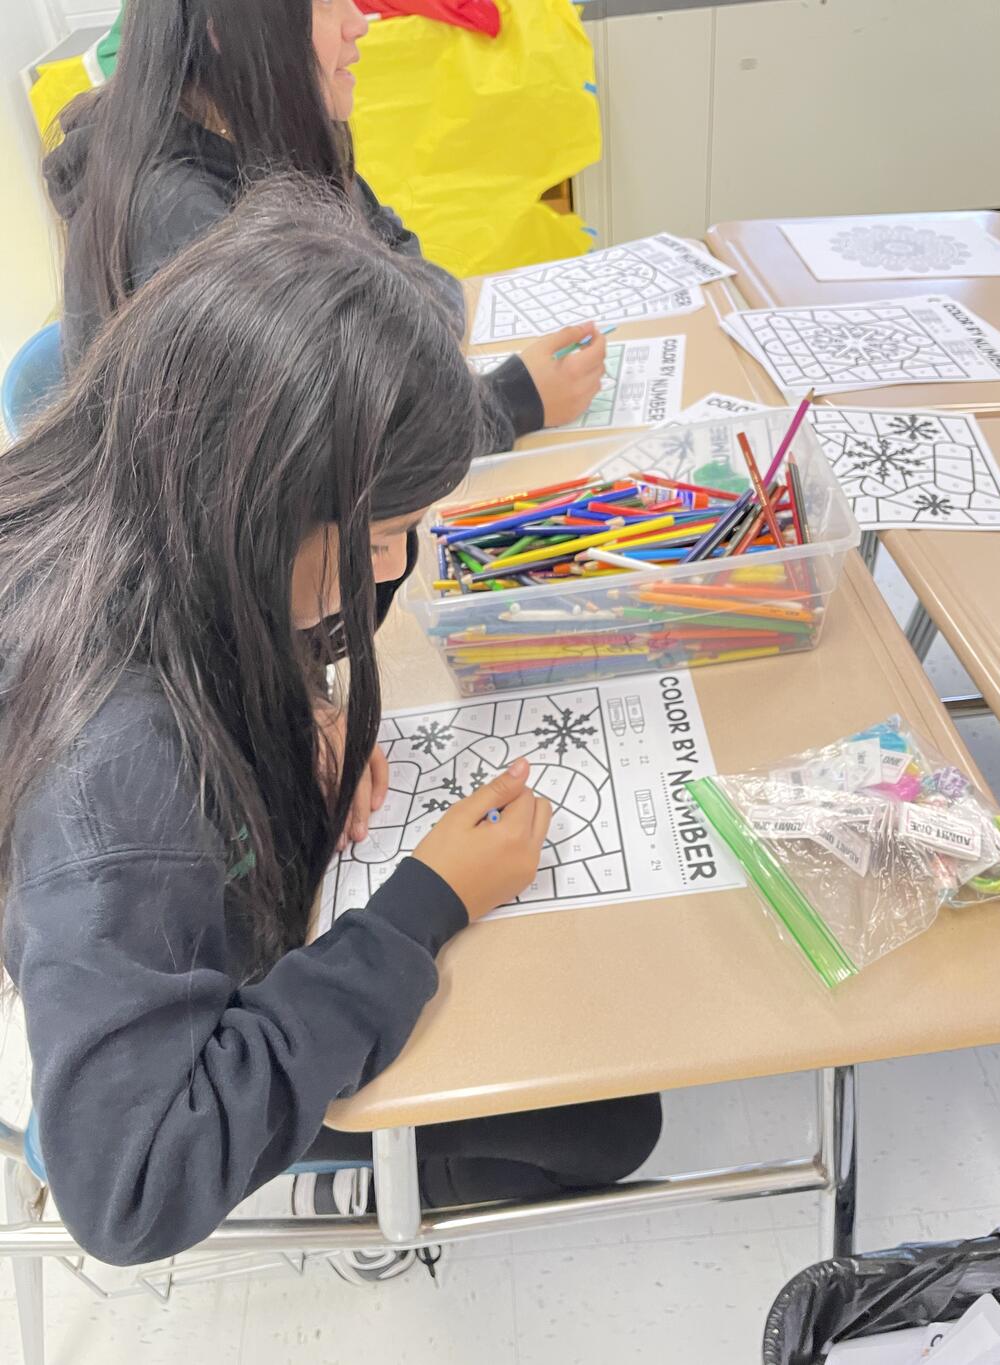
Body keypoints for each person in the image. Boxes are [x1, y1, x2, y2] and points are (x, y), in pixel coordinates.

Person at [0, 185, 661, 1280]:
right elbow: (127, 1186)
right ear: (265, 502)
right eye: (385, 533)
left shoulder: (138, 503)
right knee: (608, 1117)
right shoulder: (122, 769)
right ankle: (355, 1189)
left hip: (167, 918)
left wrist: (294, 707)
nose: (395, 565)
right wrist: (420, 910)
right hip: (156, 1066)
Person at [44, 0, 607, 449]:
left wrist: (401, 340)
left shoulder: (265, 137)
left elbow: (416, 281)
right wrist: (511, 404)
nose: (359, 23)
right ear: (226, 29)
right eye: (329, 3)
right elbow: (327, 455)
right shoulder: (183, 223)